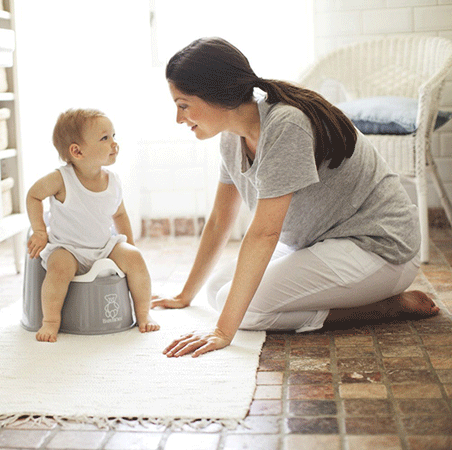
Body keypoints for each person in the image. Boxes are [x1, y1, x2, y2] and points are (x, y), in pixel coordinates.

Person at [151, 37, 439, 358]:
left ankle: (385, 308)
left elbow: (265, 234)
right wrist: (184, 294)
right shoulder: (232, 140)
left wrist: (222, 332)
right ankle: (371, 302)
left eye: (183, 104)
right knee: (216, 291)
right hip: (320, 242)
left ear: (215, 94)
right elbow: (220, 219)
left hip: (380, 248)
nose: (179, 118)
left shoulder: (286, 125)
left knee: (246, 311)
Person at [26, 108, 159, 342]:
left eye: (114, 136)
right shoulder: (61, 179)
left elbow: (119, 215)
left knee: (135, 259)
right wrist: (39, 230)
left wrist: (130, 244)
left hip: (103, 246)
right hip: (68, 249)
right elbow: (33, 195)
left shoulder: (113, 181)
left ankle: (143, 314)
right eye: (105, 138)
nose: (114, 144)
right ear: (77, 151)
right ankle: (50, 321)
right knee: (59, 268)